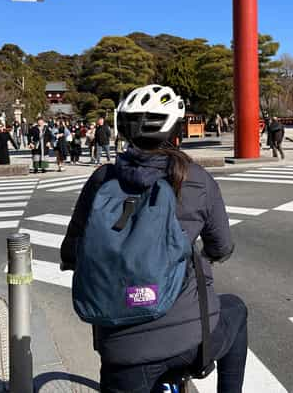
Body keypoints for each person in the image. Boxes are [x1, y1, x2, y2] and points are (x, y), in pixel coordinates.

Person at [59, 85, 246, 393]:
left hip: (122, 350)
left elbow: (71, 250)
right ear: (176, 129)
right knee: (236, 310)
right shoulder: (197, 179)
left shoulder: (101, 181)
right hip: (191, 339)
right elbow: (221, 246)